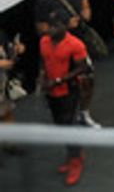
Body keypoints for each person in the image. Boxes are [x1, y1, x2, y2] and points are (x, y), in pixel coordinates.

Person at [39, 13, 91, 185]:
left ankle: (76, 161)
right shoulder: (44, 41)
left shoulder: (75, 44)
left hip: (69, 91)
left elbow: (82, 67)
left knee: (69, 125)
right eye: (49, 26)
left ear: (65, 26)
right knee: (60, 125)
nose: (51, 30)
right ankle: (73, 154)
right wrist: (44, 79)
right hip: (51, 92)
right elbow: (45, 62)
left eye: (55, 26)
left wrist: (60, 80)